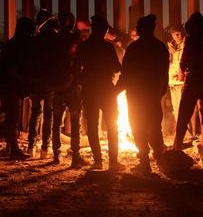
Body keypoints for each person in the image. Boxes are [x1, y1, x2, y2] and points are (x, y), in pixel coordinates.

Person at [119, 14, 168, 174]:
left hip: (136, 95)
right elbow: (164, 72)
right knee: (154, 126)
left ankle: (145, 162)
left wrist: (116, 90)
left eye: (138, 26)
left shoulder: (134, 49)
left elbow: (125, 74)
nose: (137, 29)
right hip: (152, 93)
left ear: (143, 28)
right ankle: (161, 160)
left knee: (138, 127)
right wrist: (161, 90)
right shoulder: (160, 47)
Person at [75, 15, 124, 171]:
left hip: (90, 90)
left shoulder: (84, 46)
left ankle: (97, 160)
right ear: (104, 30)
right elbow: (117, 68)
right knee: (112, 125)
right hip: (107, 89)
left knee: (92, 125)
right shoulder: (108, 47)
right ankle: (113, 161)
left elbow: (76, 68)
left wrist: (82, 81)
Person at [172, 12, 203, 169]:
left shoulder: (191, 40)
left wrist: (181, 72)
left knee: (183, 118)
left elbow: (183, 62)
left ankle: (175, 151)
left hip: (191, 81)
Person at [51, 11, 88, 167]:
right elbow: (81, 61)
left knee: (56, 122)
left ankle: (56, 156)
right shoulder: (75, 40)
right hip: (73, 86)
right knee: (74, 121)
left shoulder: (54, 40)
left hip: (57, 85)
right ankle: (75, 157)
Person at [26, 10, 63, 158]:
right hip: (51, 82)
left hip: (35, 81)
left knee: (35, 113)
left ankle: (31, 147)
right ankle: (45, 149)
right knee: (49, 115)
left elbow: (29, 59)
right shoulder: (56, 40)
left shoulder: (35, 39)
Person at [0, 17, 35, 159]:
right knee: (13, 118)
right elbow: (12, 71)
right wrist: (25, 81)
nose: (31, 35)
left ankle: (11, 147)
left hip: (8, 86)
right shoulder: (15, 46)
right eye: (30, 31)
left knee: (11, 118)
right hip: (10, 86)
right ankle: (13, 149)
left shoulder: (12, 44)